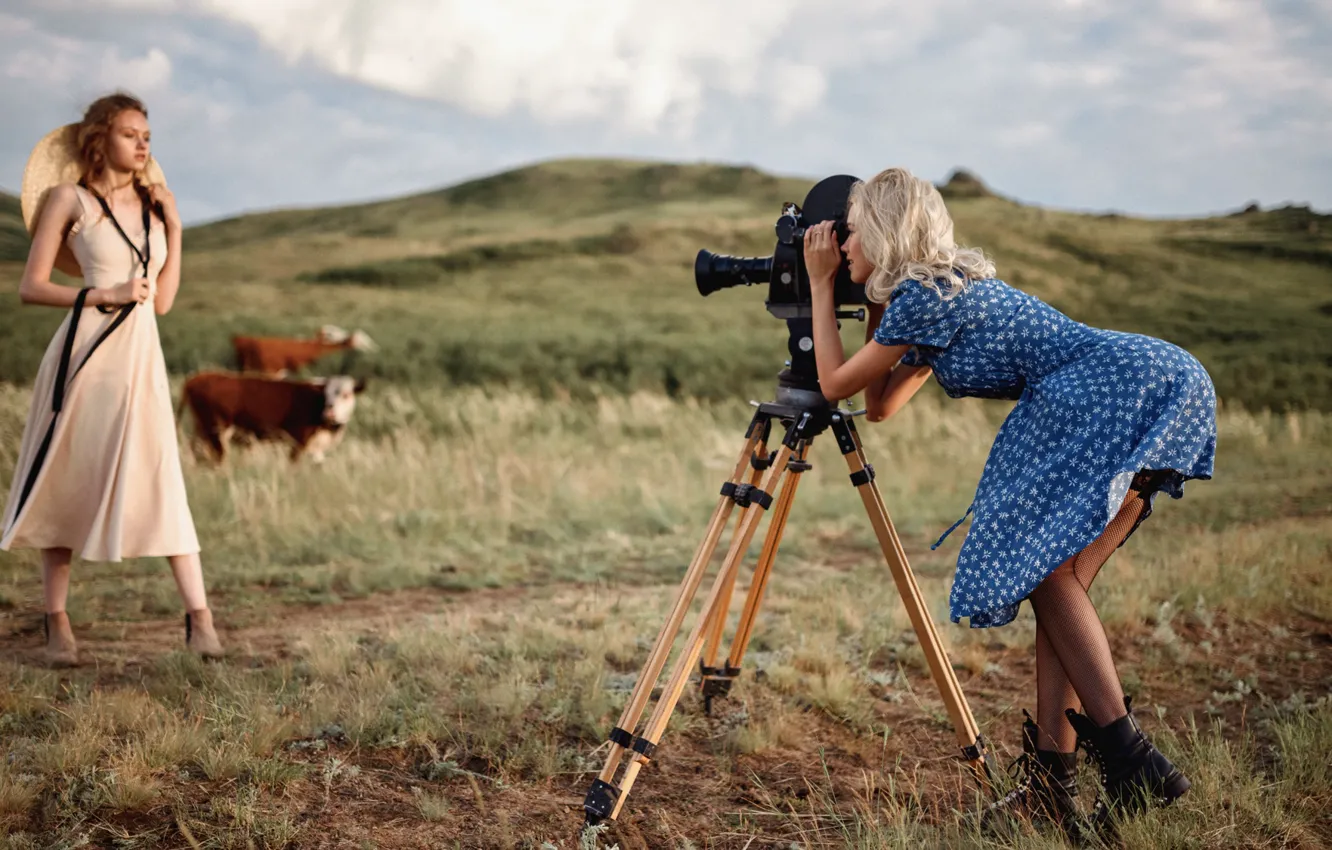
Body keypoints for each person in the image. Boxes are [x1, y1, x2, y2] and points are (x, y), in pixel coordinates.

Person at [802, 168, 1215, 833]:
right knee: (1060, 582)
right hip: (1156, 378)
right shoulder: (933, 298)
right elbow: (878, 405)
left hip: (1107, 390)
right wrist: (870, 295)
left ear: (881, 228)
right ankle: (1053, 790)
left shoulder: (925, 300)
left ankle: (1132, 757)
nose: (841, 241)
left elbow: (832, 385)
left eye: (851, 229)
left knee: (1044, 570)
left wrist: (823, 284)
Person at [1, 92, 223, 665]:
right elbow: (32, 287)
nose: (143, 143)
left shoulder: (154, 207)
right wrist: (104, 293)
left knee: (162, 479)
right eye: (130, 133)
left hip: (141, 362)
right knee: (65, 475)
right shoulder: (66, 199)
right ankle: (56, 623)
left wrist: (175, 227)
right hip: (86, 357)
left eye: (147, 134)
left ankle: (200, 619)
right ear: (99, 139)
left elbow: (164, 302)